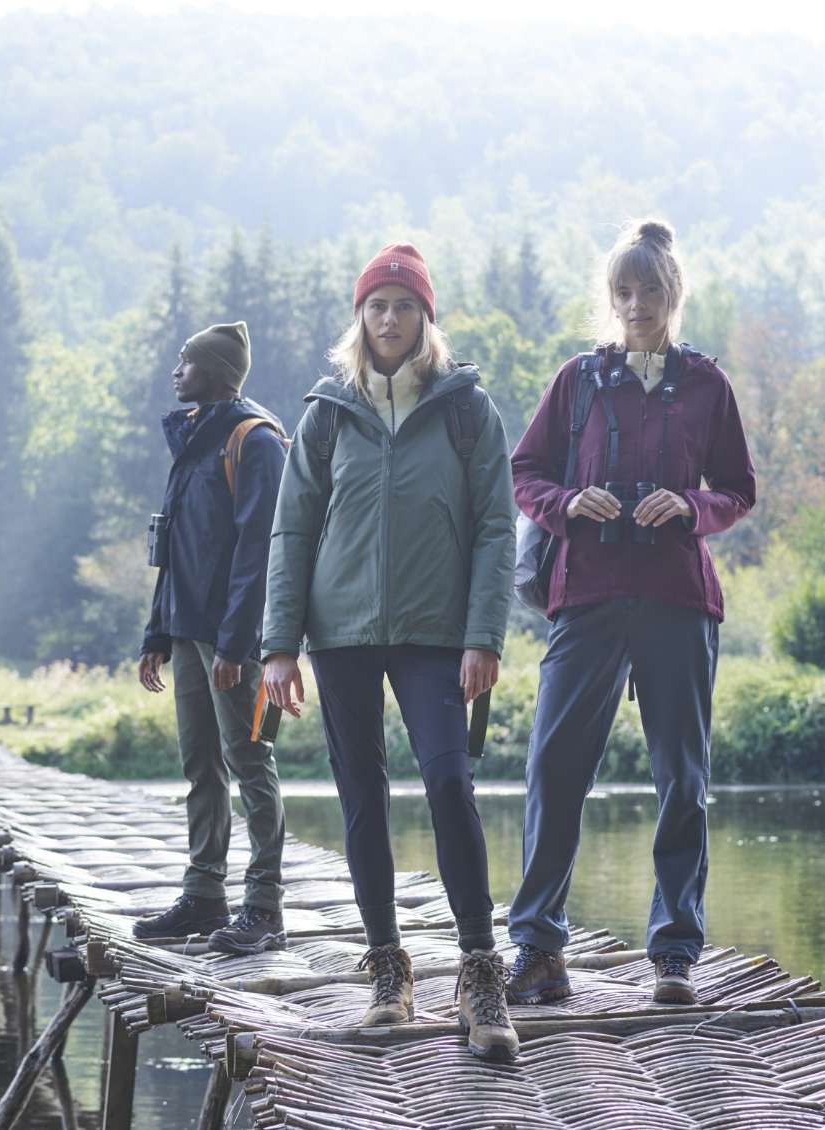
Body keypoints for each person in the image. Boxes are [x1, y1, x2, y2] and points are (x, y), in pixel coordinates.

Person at [258, 243, 519, 1061]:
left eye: (404, 306)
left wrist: (484, 635)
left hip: (438, 633)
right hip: (339, 636)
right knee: (361, 797)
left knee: (449, 781)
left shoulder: (467, 410)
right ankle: (386, 969)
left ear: (425, 318)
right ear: (360, 318)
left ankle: (480, 970)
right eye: (377, 306)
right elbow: (293, 529)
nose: (390, 320)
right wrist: (278, 647)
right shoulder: (326, 413)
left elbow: (495, 527)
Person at [504, 221, 758, 1009]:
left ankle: (675, 956)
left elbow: (738, 490)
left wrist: (689, 505)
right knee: (554, 770)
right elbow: (526, 471)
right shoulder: (577, 381)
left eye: (650, 290)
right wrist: (565, 501)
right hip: (586, 595)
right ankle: (540, 950)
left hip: (679, 600)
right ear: (609, 298)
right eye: (624, 290)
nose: (636, 303)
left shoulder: (708, 385)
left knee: (682, 778)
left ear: (672, 295)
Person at [131, 321, 290, 954]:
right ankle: (203, 895)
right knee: (200, 766)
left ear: (218, 371)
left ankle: (264, 905)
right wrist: (156, 633)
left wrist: (236, 643)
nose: (176, 371)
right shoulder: (194, 437)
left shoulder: (256, 441)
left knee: (249, 762)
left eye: (186, 361)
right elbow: (169, 545)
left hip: (231, 641)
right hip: (187, 631)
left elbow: (261, 549)